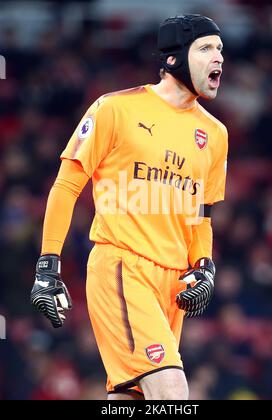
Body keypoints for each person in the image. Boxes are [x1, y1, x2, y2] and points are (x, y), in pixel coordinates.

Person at [30, 14, 228, 400]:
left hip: (173, 286)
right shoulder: (115, 108)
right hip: (123, 266)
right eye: (206, 48)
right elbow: (67, 185)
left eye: (220, 49)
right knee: (172, 392)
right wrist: (47, 265)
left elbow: (200, 214)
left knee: (132, 398)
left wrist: (204, 265)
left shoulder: (216, 135)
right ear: (173, 60)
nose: (218, 57)